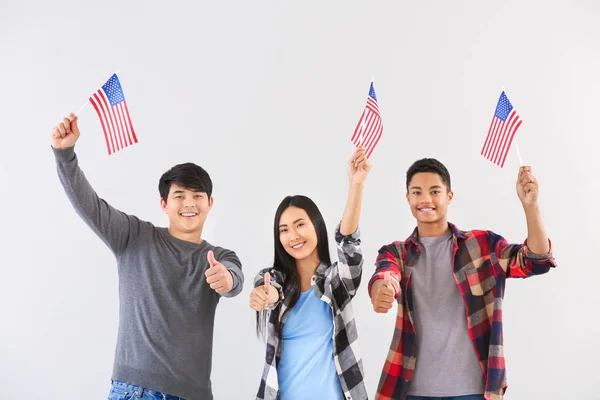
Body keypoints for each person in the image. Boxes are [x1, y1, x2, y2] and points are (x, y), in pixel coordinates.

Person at [51, 113, 244, 400]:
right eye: (179, 195)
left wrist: (226, 279)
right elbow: (89, 206)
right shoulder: (134, 236)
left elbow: (234, 278)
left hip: (194, 394)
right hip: (135, 390)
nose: (188, 203)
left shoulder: (219, 256)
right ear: (164, 204)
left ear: (209, 203)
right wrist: (64, 154)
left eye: (197, 195)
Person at [369, 158, 557, 400]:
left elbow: (536, 260)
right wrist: (382, 289)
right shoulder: (396, 253)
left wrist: (531, 206)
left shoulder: (482, 246)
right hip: (412, 391)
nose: (425, 199)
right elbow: (385, 273)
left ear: (449, 196)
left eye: (434, 191)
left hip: (473, 391)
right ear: (408, 199)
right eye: (417, 192)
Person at [250, 147, 371, 400]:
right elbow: (269, 286)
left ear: (316, 225)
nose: (292, 236)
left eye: (300, 225)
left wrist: (355, 185)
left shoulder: (335, 283)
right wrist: (267, 295)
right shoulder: (276, 279)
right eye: (283, 230)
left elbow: (349, 244)